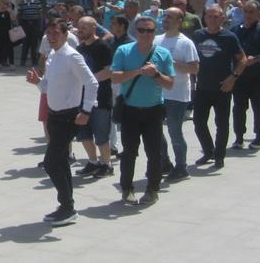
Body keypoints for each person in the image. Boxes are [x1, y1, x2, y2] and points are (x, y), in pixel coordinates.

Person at [26, 18, 98, 226]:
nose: (51, 36)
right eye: (49, 33)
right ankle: (67, 206)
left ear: (66, 34)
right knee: (61, 161)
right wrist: (37, 82)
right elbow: (48, 87)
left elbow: (91, 83)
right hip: (54, 115)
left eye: (56, 33)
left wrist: (86, 110)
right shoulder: (53, 56)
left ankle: (67, 206)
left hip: (69, 116)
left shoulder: (72, 56)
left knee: (50, 163)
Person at [110, 16, 175, 205]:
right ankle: (127, 189)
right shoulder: (124, 50)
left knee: (154, 152)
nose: (146, 34)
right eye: (142, 30)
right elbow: (115, 77)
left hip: (153, 111)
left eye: (150, 31)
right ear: (135, 32)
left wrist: (155, 74)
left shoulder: (162, 54)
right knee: (129, 152)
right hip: (130, 110)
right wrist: (138, 72)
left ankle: (153, 189)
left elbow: (170, 84)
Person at [192, 6, 246, 169]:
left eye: (216, 17)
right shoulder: (198, 35)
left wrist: (233, 78)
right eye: (209, 16)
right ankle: (208, 150)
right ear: (204, 18)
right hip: (202, 86)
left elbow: (242, 59)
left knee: (221, 123)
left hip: (223, 87)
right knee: (198, 122)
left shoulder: (229, 37)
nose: (212, 19)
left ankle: (219, 156)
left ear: (222, 18)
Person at [154, 8, 199, 181]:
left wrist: (171, 64)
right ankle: (164, 162)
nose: (166, 19)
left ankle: (181, 167)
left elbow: (194, 68)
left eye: (170, 17)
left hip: (177, 94)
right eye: (165, 16)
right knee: (156, 130)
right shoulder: (157, 40)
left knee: (174, 131)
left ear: (179, 21)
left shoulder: (185, 43)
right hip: (158, 93)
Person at [232, 0, 260, 150]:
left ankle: (259, 137)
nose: (248, 15)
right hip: (240, 77)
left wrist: (258, 59)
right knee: (239, 107)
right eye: (246, 11)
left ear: (259, 14)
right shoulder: (235, 31)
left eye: (252, 12)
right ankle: (239, 138)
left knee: (259, 108)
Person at [74, 16, 115, 180]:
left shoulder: (103, 47)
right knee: (83, 134)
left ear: (93, 28)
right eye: (79, 27)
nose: (80, 30)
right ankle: (93, 161)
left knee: (101, 135)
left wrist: (89, 81)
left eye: (84, 27)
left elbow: (108, 71)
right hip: (81, 98)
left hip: (101, 98)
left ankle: (107, 164)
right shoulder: (79, 48)